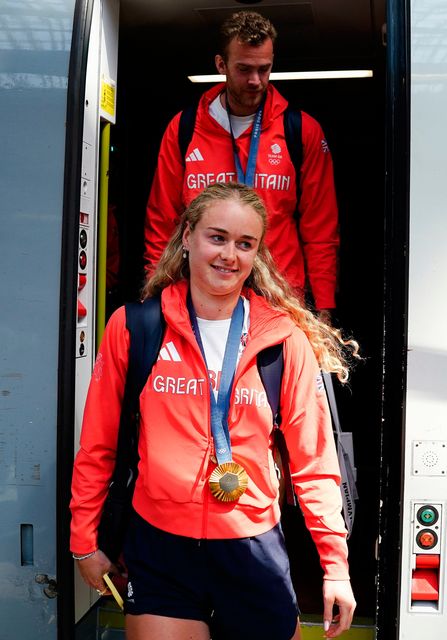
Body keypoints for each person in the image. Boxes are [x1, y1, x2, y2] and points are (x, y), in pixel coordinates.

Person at [70, 182, 357, 639]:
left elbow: (315, 466)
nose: (229, 255)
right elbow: (97, 445)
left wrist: (335, 567)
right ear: (187, 237)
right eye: (217, 237)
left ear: (257, 253)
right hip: (162, 549)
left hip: (253, 551)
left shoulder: (282, 340)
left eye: (245, 244)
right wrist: (85, 542)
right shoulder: (136, 326)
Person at [144, 10, 339, 322]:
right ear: (221, 64)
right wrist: (156, 292)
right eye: (244, 69)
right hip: (201, 298)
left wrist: (324, 305)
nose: (255, 81)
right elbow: (162, 219)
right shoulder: (184, 128)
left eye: (265, 69)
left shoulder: (301, 130)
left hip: (279, 297)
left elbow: (321, 228)